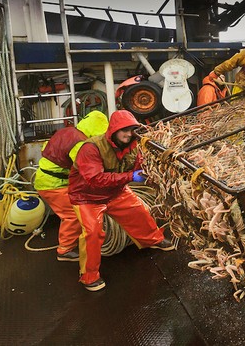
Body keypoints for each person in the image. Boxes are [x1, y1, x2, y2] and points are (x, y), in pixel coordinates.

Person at [68, 109, 174, 291]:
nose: (128, 134)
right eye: (124, 130)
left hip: (115, 192)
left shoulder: (133, 146)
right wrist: (130, 176)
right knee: (92, 233)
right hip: (87, 197)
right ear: (113, 130)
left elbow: (140, 164)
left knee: (140, 212)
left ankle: (153, 240)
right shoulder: (91, 148)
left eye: (132, 129)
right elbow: (95, 179)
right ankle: (89, 276)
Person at [33, 110, 109, 262]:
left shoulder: (69, 131)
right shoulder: (81, 143)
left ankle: (72, 243)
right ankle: (65, 250)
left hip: (47, 180)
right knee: (72, 214)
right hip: (53, 185)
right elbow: (87, 169)